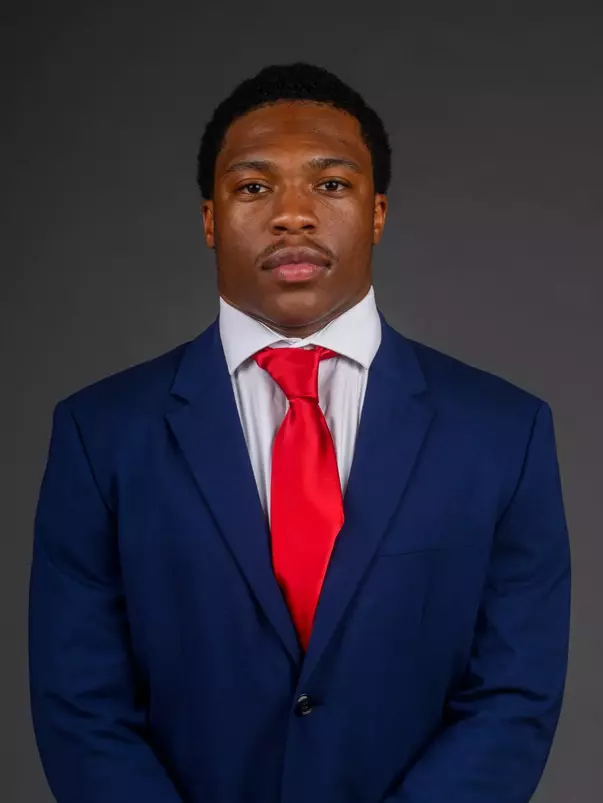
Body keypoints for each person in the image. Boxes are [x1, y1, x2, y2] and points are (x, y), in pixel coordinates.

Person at [29, 62, 571, 803]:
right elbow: (79, 702)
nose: (292, 213)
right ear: (209, 217)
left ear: (377, 212)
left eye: (331, 184)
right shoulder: (100, 433)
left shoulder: (503, 432)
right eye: (253, 186)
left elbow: (513, 696)